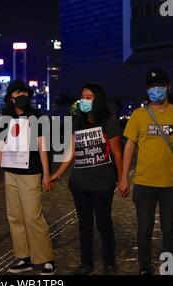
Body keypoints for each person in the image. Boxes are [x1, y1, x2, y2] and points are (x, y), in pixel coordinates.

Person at [119, 69, 173, 275]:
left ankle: (168, 267)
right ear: (147, 89)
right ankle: (145, 267)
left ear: (168, 86)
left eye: (159, 85)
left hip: (171, 184)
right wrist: (123, 178)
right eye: (151, 86)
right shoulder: (138, 115)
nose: (155, 89)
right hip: (144, 183)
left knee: (169, 231)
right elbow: (129, 146)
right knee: (144, 230)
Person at [50, 83, 124, 275]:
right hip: (79, 183)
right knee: (84, 225)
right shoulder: (78, 122)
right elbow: (71, 151)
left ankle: (109, 262)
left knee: (104, 224)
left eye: (89, 97)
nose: (84, 100)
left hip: (102, 183)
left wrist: (123, 179)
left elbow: (117, 154)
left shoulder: (108, 122)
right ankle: (86, 263)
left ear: (97, 99)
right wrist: (57, 174)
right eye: (82, 96)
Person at [0, 80, 57, 275]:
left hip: (31, 172)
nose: (20, 96)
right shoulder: (5, 117)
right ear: (10, 97)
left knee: (33, 216)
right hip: (10, 172)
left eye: (24, 92)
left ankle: (45, 258)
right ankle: (23, 257)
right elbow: (1, 147)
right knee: (14, 216)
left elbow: (43, 146)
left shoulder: (36, 116)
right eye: (17, 92)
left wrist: (46, 174)